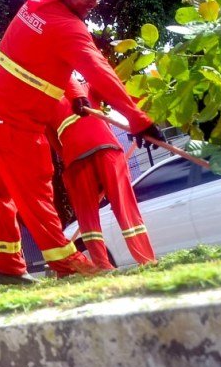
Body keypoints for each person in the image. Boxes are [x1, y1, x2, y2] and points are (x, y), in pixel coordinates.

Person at [0, 0, 163, 284]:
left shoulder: (38, 1)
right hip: (14, 118)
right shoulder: (68, 27)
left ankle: (8, 266)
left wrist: (75, 92)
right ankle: (68, 263)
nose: (94, 1)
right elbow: (98, 71)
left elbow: (43, 55)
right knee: (35, 185)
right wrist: (137, 119)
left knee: (0, 190)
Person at [49, 78, 156, 269]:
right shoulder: (86, 87)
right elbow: (116, 91)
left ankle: (103, 265)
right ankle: (145, 259)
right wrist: (142, 119)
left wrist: (70, 160)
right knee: (124, 207)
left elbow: (56, 145)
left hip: (77, 158)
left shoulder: (47, 103)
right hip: (105, 149)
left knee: (87, 216)